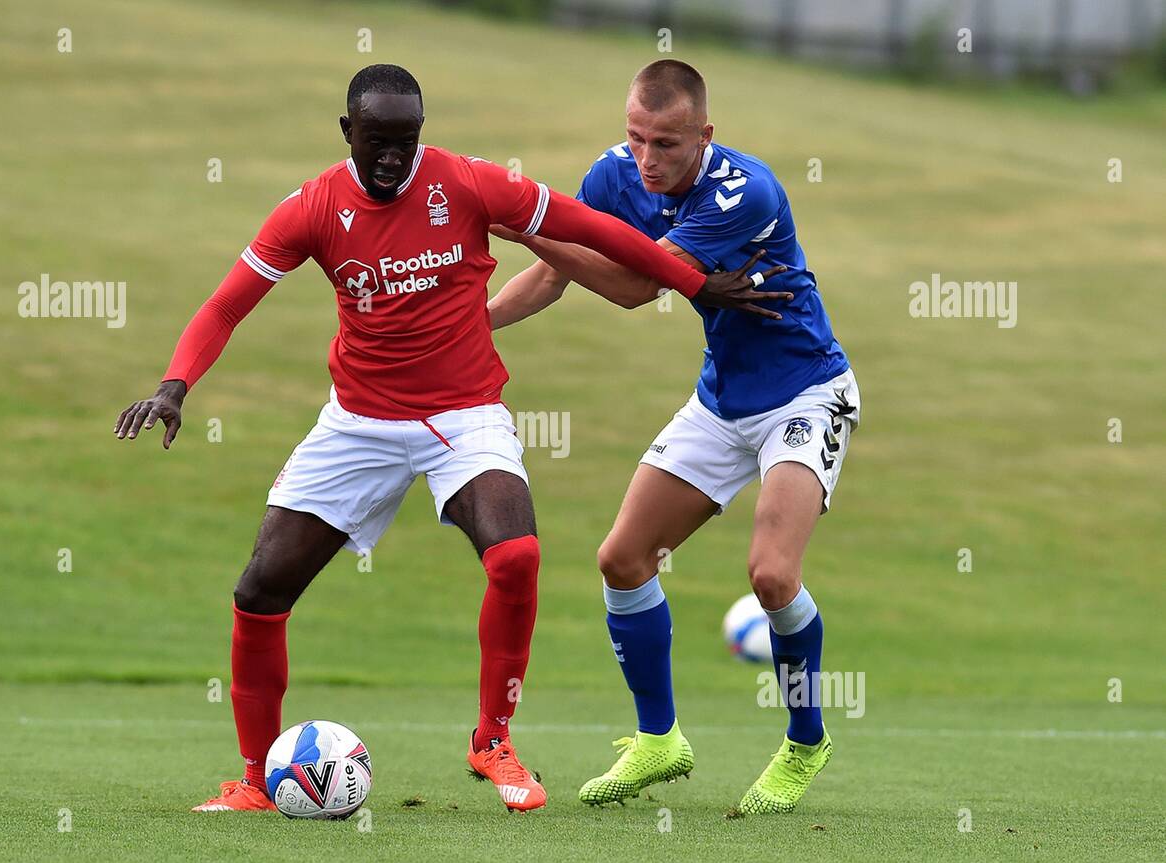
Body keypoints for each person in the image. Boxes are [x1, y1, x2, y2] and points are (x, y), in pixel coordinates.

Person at [113, 63, 782, 813]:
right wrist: (175, 385)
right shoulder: (310, 209)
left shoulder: (466, 184)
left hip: (463, 416)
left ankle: (492, 742)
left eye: (407, 139)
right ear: (348, 134)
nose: (394, 156)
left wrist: (693, 284)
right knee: (260, 590)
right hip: (357, 424)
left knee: (516, 554)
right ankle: (256, 780)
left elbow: (585, 225)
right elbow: (226, 306)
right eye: (377, 141)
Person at [487, 59, 859, 813]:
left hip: (806, 394)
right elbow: (556, 277)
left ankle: (805, 742)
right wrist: (469, 325)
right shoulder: (614, 176)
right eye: (636, 138)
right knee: (622, 560)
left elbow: (631, 287)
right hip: (721, 402)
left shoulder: (743, 192)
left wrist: (527, 229)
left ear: (704, 136)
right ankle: (660, 741)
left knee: (771, 576)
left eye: (666, 144)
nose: (647, 160)